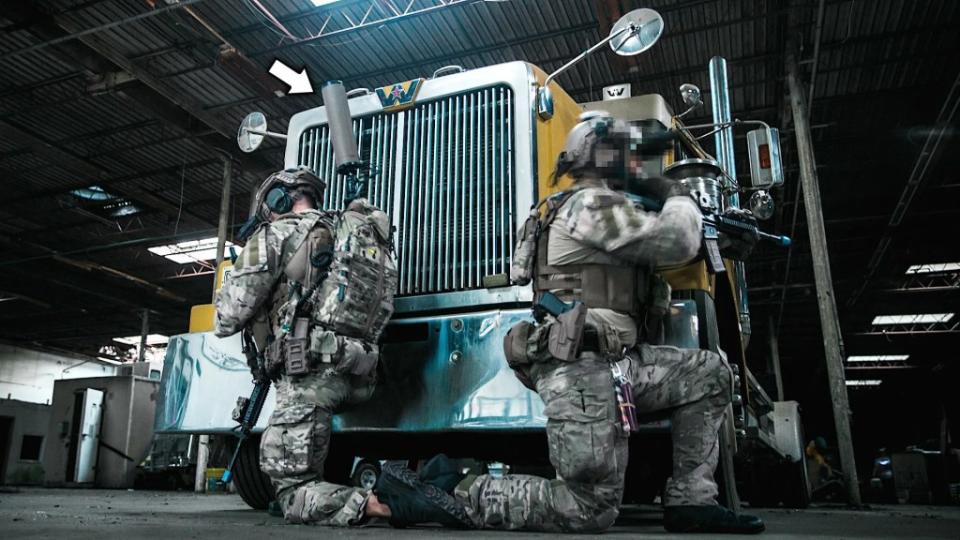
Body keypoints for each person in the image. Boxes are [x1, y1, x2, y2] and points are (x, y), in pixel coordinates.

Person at [374, 112, 764, 534]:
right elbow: (674, 241)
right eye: (626, 156)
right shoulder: (589, 204)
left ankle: (692, 501)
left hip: (617, 365)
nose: (636, 167)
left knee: (708, 373)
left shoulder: (607, 210)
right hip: (581, 369)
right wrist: (677, 194)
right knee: (589, 508)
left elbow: (656, 259)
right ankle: (449, 491)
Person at [214, 167, 401, 526]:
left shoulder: (279, 233)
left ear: (275, 200)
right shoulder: (351, 234)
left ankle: (383, 504)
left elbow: (226, 317)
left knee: (293, 495)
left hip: (308, 379)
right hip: (361, 371)